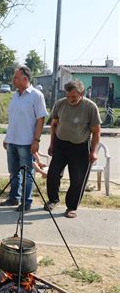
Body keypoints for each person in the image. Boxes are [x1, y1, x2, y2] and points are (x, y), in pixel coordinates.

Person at [44, 80, 101, 218]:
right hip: (60, 145)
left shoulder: (90, 107)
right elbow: (54, 125)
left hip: (80, 146)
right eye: (68, 96)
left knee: (77, 179)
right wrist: (52, 144)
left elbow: (96, 131)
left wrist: (93, 152)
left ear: (81, 93)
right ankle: (53, 200)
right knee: (53, 174)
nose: (70, 100)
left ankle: (71, 207)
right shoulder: (60, 104)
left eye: (74, 97)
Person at [0, 66, 47, 211]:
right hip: (12, 141)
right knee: (13, 172)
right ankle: (14, 197)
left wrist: (36, 141)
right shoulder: (15, 95)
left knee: (27, 174)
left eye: (16, 78)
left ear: (25, 79)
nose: (13, 80)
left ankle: (26, 202)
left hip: (26, 142)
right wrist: (7, 137)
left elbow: (41, 119)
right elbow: (13, 119)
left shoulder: (36, 95)